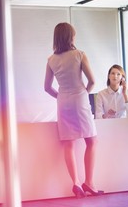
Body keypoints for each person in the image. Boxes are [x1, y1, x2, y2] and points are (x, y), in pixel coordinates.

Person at [44, 22, 104, 198]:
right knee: (92, 141)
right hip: (80, 100)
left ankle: (76, 183)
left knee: (68, 143)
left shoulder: (51, 60)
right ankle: (89, 183)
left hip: (63, 102)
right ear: (71, 37)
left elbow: (47, 87)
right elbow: (92, 81)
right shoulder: (79, 54)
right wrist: (84, 93)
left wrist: (61, 97)